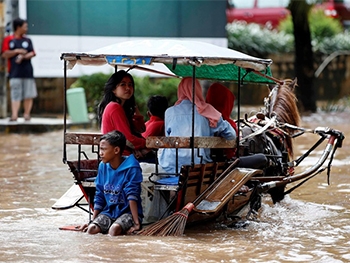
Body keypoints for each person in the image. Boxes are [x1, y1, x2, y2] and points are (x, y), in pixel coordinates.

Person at [158, 77, 237, 174]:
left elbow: (168, 137)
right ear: (199, 90)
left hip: (170, 166)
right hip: (198, 166)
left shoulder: (169, 112)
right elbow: (232, 135)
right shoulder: (208, 112)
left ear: (180, 90)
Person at [79, 130, 143, 235]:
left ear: (116, 150)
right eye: (100, 149)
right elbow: (99, 194)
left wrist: (136, 223)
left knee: (114, 230)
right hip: (108, 212)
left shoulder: (132, 167)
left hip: (128, 213)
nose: (100, 153)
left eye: (104, 149)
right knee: (91, 230)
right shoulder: (102, 166)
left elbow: (132, 196)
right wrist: (92, 221)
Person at [98, 70, 153, 161]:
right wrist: (149, 143)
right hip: (121, 157)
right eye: (122, 84)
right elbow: (128, 139)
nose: (128, 88)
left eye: (130, 85)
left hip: (125, 154)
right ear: (113, 89)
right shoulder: (114, 107)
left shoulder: (122, 108)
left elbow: (141, 129)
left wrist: (134, 107)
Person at [1, 18, 37, 122]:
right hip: (14, 72)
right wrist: (16, 51)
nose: (26, 29)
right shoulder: (9, 39)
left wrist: (24, 56)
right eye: (25, 26)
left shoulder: (28, 40)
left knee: (29, 94)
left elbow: (33, 53)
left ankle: (27, 114)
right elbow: (4, 54)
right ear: (18, 27)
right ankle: (14, 115)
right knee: (15, 93)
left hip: (27, 72)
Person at [206, 82, 237, 160]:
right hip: (223, 163)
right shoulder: (226, 123)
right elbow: (232, 138)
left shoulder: (201, 118)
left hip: (200, 160)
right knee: (261, 158)